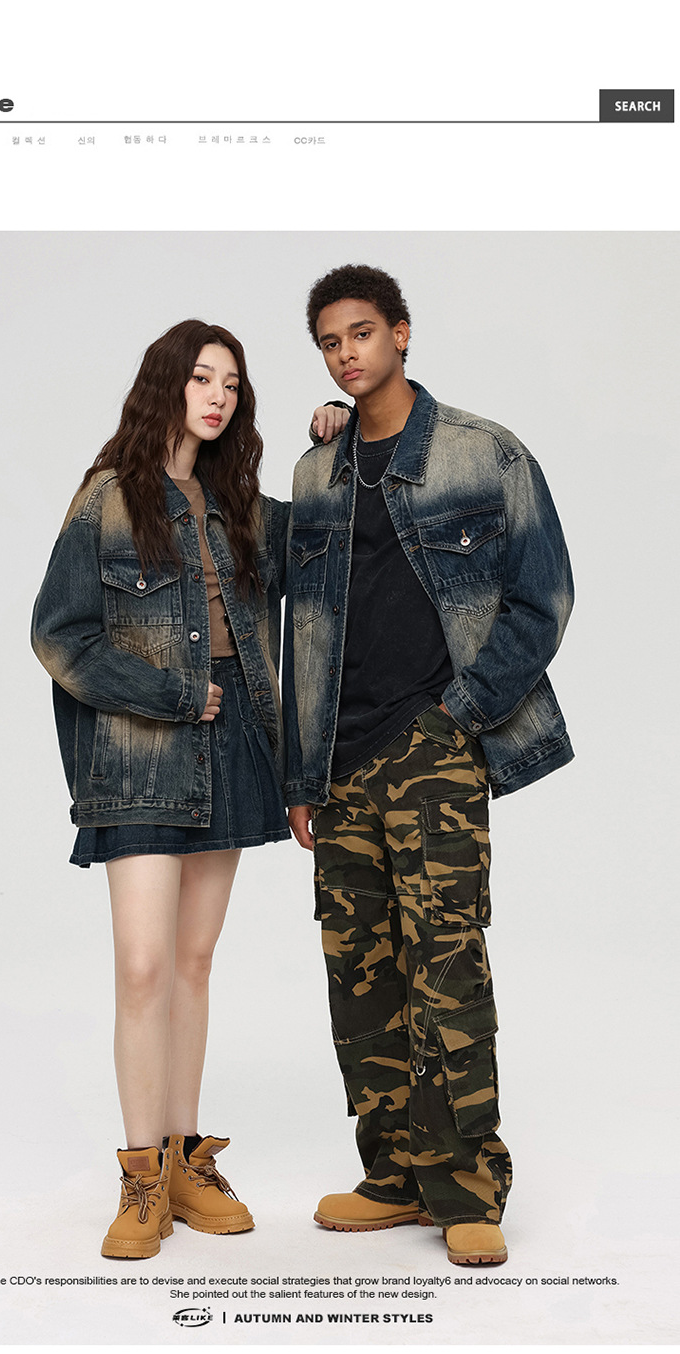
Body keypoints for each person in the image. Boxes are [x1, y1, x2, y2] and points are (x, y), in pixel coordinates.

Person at [31, 319, 346, 1259]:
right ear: (166, 383)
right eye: (202, 378)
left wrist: (331, 440)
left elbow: (328, 535)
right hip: (141, 751)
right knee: (142, 965)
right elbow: (58, 634)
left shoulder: (240, 503)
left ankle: (182, 1163)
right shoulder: (108, 497)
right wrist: (169, 692)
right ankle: (138, 1180)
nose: (217, 396)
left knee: (194, 963)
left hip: (235, 743)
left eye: (232, 384)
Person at [283, 264, 574, 1267]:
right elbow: (304, 625)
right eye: (330, 342)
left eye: (362, 333)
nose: (346, 354)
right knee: (359, 975)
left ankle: (467, 1185)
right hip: (339, 760)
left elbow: (543, 598)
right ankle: (395, 1175)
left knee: (446, 966)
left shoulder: (484, 452)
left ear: (401, 333)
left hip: (433, 751)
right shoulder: (315, 472)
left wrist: (461, 714)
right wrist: (301, 772)